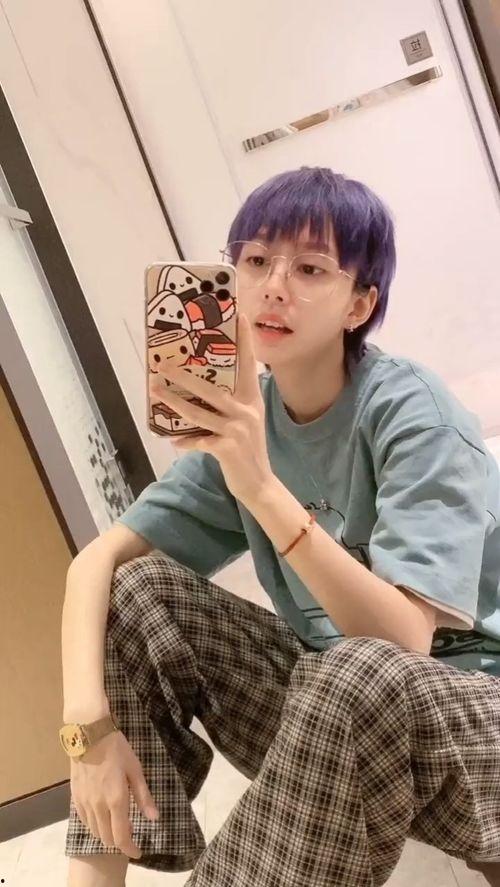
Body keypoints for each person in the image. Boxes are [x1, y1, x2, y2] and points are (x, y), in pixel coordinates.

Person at [62, 166, 500, 887]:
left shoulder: (414, 415)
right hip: (339, 705)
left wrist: (261, 488)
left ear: (360, 304)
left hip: (474, 712)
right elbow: (96, 565)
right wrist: (88, 734)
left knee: (357, 668)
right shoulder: (249, 420)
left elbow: (404, 646)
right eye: (257, 260)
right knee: (139, 591)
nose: (273, 286)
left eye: (310, 268)